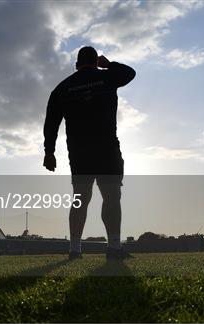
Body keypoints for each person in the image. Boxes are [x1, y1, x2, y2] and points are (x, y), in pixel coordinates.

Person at [43, 46, 136, 260]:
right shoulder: (107, 77)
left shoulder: (63, 88)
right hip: (107, 149)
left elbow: (51, 124)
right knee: (112, 196)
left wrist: (49, 152)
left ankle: (75, 249)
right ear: (96, 62)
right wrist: (109, 64)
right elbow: (130, 73)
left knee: (80, 199)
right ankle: (114, 247)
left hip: (79, 152)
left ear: (76, 65)